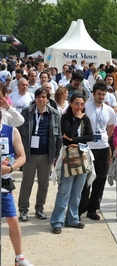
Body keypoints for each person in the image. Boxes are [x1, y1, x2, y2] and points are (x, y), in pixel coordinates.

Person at [50, 93, 93, 234]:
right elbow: (67, 133)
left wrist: (74, 139)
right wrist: (75, 121)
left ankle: (73, 219)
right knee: (64, 190)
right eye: (76, 104)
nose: (79, 107)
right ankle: (57, 221)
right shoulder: (66, 118)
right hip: (68, 155)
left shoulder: (85, 118)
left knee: (77, 191)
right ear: (71, 103)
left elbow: (90, 136)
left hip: (82, 155)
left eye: (81, 104)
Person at [17, 87, 62, 221]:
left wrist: (57, 154)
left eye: (44, 97)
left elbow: (58, 135)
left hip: (46, 155)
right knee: (27, 183)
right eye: (38, 97)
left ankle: (39, 208)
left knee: (43, 184)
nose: (41, 100)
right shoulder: (26, 112)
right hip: (29, 154)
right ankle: (23, 210)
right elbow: (18, 133)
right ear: (35, 98)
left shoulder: (54, 114)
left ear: (48, 99)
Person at [79, 82, 116, 220]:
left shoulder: (109, 110)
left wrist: (106, 141)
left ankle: (93, 208)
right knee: (84, 179)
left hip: (103, 147)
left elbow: (111, 127)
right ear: (93, 93)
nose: (101, 97)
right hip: (87, 148)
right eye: (99, 94)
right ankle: (81, 207)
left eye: (103, 94)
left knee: (100, 179)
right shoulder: (85, 107)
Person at [1, 110, 33, 265]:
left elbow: (22, 156)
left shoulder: (11, 131)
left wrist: (11, 168)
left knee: (13, 219)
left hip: (4, 184)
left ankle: (19, 257)